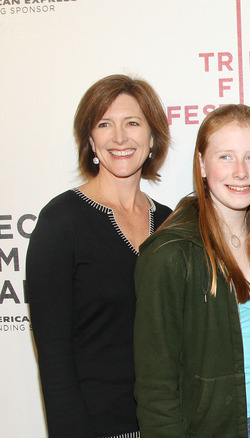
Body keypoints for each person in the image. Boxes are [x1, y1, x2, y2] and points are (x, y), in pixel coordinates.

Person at [133, 104, 250, 438]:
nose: (240, 172)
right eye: (225, 157)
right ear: (202, 164)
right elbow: (155, 385)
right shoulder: (170, 254)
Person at [26, 74, 172, 438]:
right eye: (105, 124)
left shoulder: (172, 223)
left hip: (169, 425)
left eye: (133, 123)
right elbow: (53, 357)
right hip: (96, 427)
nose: (119, 137)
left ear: (152, 137)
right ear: (91, 139)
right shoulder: (61, 222)